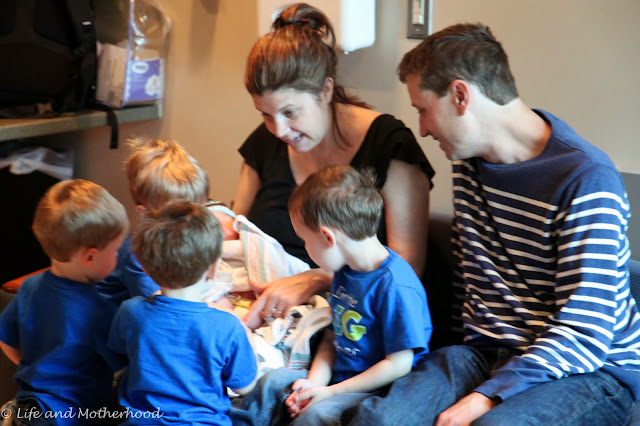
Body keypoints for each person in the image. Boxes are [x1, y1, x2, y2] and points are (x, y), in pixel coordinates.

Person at [343, 23, 640, 425]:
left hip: (587, 370)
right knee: (378, 420)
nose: (423, 129)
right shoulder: (468, 164)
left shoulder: (586, 179)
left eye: (423, 109)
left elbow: (586, 331)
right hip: (483, 355)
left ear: (460, 95)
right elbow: (469, 288)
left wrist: (485, 397)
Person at [234, 2, 435, 329]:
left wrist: (315, 279)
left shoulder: (387, 146)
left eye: (290, 112)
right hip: (264, 312)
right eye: (266, 115)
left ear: (326, 90)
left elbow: (407, 270)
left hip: (355, 324)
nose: (279, 130)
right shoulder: (264, 143)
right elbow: (238, 229)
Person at [230, 165, 432, 425]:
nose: (305, 247)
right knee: (273, 381)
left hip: (379, 392)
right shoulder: (345, 273)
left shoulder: (396, 286)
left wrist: (330, 393)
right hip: (335, 383)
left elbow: (399, 364)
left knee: (317, 415)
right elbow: (332, 339)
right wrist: (313, 384)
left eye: (304, 240)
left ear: (327, 237)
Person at [107, 201, 258, 425]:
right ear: (214, 269)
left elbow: (119, 358)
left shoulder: (130, 311)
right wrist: (248, 338)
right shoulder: (227, 325)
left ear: (145, 268)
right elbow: (244, 386)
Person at [0, 179, 129, 424]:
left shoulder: (29, 288)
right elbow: (123, 367)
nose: (117, 258)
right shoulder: (99, 309)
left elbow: (5, 339)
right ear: (90, 256)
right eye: (115, 251)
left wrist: (35, 369)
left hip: (30, 405)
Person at [96, 137, 236, 306]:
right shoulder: (138, 254)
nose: (194, 221)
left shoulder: (180, 235)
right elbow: (163, 303)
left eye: (201, 209)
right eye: (179, 216)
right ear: (145, 213)